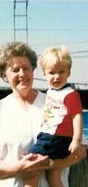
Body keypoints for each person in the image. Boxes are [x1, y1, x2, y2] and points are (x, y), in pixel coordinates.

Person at [0, 41, 87, 187]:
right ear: (4, 75)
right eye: (15, 70)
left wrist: (49, 164)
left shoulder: (56, 101)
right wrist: (19, 168)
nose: (22, 74)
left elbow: (81, 151)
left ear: (33, 71)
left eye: (26, 68)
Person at [24, 46, 84, 187]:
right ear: (44, 74)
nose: (57, 76)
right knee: (54, 176)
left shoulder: (69, 94)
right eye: (52, 73)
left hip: (55, 137)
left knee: (31, 166)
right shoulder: (52, 91)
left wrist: (76, 140)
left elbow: (77, 117)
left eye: (61, 72)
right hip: (51, 134)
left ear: (69, 72)